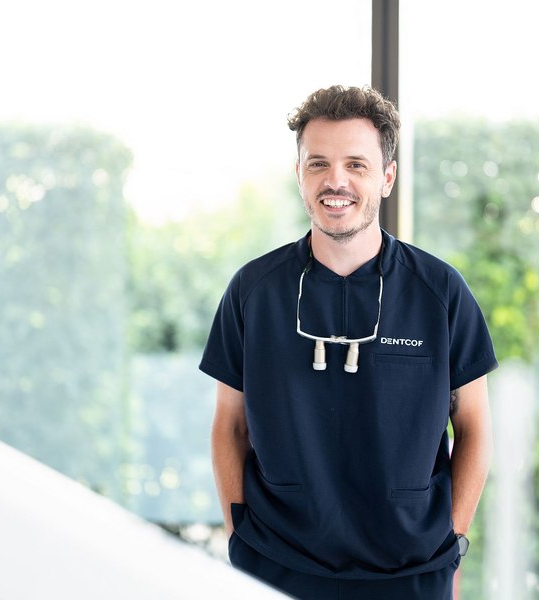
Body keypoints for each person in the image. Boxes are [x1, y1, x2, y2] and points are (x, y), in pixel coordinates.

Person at [200, 85, 497, 599]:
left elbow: (474, 427)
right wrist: (238, 534)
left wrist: (452, 538)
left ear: (387, 177)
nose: (335, 181)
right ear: (299, 174)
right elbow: (230, 424)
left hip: (412, 573)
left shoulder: (441, 293)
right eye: (318, 164)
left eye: (356, 165)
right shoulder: (253, 292)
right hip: (275, 566)